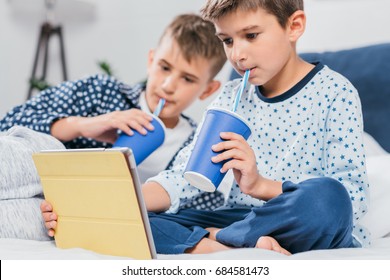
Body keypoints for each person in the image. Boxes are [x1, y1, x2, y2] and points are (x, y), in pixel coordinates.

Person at [42, 0, 370, 256]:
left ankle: (218, 241)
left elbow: (351, 197)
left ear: (294, 26)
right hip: (240, 219)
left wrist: (259, 185)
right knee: (140, 225)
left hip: (300, 218)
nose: (237, 55)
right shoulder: (230, 97)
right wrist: (110, 204)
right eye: (227, 40)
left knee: (329, 197)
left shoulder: (334, 92)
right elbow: (182, 177)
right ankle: (231, 244)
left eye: (251, 35)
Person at [0, 14, 226, 187]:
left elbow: (200, 205)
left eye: (187, 79)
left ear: (208, 90)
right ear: (151, 60)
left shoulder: (196, 144)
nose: (168, 86)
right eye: (164, 67)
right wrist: (84, 126)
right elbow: (9, 124)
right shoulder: (101, 93)